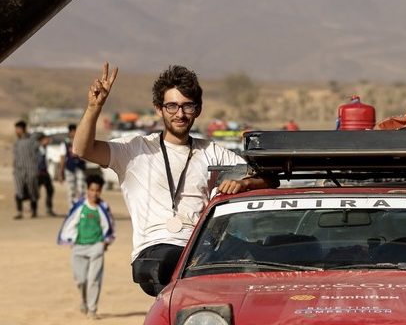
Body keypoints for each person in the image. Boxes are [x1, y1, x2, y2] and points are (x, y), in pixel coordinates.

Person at [73, 62, 278, 296]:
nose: (180, 114)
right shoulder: (134, 149)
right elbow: (82, 149)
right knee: (177, 267)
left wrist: (245, 183)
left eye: (187, 106)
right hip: (155, 253)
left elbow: (269, 179)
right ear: (159, 109)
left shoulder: (210, 151)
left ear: (198, 109)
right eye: (172, 106)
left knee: (265, 259)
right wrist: (93, 108)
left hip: (201, 248)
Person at [57, 173, 115, 320]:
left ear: (100, 191)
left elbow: (109, 226)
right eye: (92, 190)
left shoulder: (103, 207)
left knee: (94, 279)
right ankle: (84, 301)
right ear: (87, 190)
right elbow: (70, 222)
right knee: (81, 280)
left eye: (97, 190)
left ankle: (92, 309)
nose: (94, 193)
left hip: (96, 247)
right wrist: (69, 239)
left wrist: (105, 242)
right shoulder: (79, 206)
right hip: (79, 247)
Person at [12, 120, 41, 219]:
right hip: (19, 171)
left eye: (17, 129)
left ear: (22, 129)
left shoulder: (32, 141)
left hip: (31, 170)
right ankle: (19, 212)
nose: (16, 131)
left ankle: (34, 211)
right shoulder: (16, 142)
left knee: (32, 190)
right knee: (18, 190)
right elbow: (15, 157)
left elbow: (38, 154)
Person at [57, 123, 87, 207]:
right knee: (71, 189)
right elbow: (62, 158)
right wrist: (61, 172)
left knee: (81, 188)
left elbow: (86, 155)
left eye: (75, 131)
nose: (74, 133)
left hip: (80, 167)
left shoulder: (81, 142)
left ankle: (81, 206)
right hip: (69, 168)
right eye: (72, 131)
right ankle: (72, 207)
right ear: (70, 132)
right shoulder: (65, 143)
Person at [37, 132, 57, 217]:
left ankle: (49, 209)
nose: (48, 141)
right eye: (46, 139)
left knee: (50, 190)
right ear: (41, 140)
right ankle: (33, 209)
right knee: (35, 192)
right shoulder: (37, 149)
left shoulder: (46, 149)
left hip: (45, 173)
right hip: (38, 173)